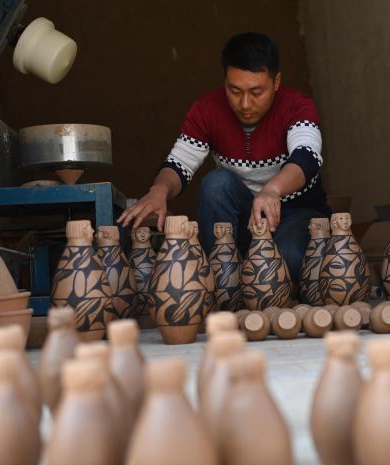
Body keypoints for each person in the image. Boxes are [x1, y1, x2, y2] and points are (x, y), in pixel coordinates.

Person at [118, 32, 330, 284]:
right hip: (240, 224)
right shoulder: (208, 109)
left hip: (295, 214)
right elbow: (179, 164)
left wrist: (273, 189)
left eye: (256, 91)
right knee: (216, 183)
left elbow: (306, 157)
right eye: (235, 90)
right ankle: (222, 276)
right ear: (225, 80)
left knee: (286, 263)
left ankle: (247, 279)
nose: (245, 103)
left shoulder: (297, 106)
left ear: (276, 82)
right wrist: (159, 190)